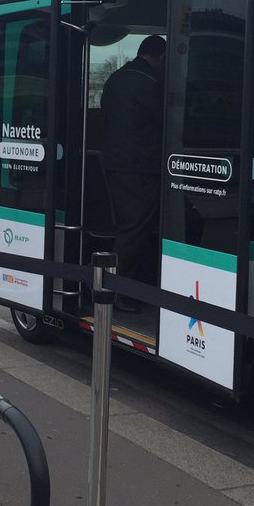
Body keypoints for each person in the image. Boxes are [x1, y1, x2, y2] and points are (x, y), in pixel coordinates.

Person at [100, 34, 167, 305]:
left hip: (116, 163)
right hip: (140, 167)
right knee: (135, 228)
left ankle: (120, 286)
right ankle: (118, 292)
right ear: (162, 57)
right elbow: (167, 120)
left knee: (131, 227)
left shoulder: (116, 78)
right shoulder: (149, 82)